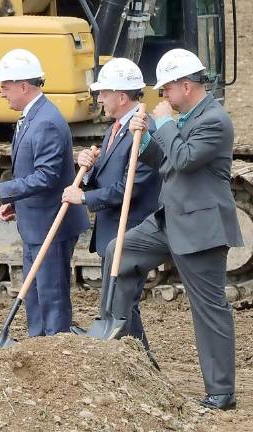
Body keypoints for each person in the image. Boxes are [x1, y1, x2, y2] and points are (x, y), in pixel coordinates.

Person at [115, 48, 243, 410]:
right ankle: (127, 347)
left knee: (209, 308)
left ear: (186, 86)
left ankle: (221, 392)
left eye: (166, 89)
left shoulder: (214, 120)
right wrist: (144, 142)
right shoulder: (187, 118)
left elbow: (185, 160)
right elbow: (167, 161)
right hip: (169, 220)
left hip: (202, 228)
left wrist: (164, 125)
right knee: (118, 254)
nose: (162, 97)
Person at [0, 49, 89, 336]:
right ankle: (37, 347)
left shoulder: (46, 121)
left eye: (5, 86)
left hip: (51, 223)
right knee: (35, 292)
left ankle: (54, 349)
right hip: (36, 220)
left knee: (50, 293)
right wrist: (16, 203)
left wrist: (1, 189)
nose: (2, 93)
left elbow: (46, 176)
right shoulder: (30, 117)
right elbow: (33, 172)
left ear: (23, 86)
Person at [62, 58, 161, 359]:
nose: (99, 99)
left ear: (121, 96)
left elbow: (130, 187)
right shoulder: (114, 129)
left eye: (103, 93)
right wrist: (88, 171)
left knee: (122, 302)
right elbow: (108, 176)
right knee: (119, 303)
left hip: (130, 231)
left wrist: (84, 199)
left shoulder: (143, 130)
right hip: (111, 229)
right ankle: (138, 363)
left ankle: (141, 364)